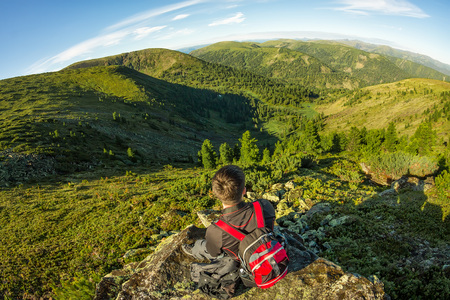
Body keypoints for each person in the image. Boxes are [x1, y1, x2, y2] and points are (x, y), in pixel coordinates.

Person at [182, 164, 276, 265]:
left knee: (203, 246)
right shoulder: (264, 206)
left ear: (215, 192)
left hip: (245, 262)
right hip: (269, 249)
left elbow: (213, 253)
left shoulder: (215, 231)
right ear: (244, 190)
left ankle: (194, 251)